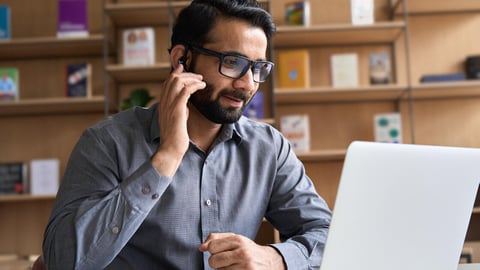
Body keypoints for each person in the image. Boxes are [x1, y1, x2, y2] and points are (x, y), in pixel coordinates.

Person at [42, 0, 331, 269]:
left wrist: (275, 258)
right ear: (182, 59)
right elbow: (62, 260)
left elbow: (327, 234)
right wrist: (167, 156)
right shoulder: (107, 142)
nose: (247, 84)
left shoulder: (269, 148)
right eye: (232, 62)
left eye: (258, 68)